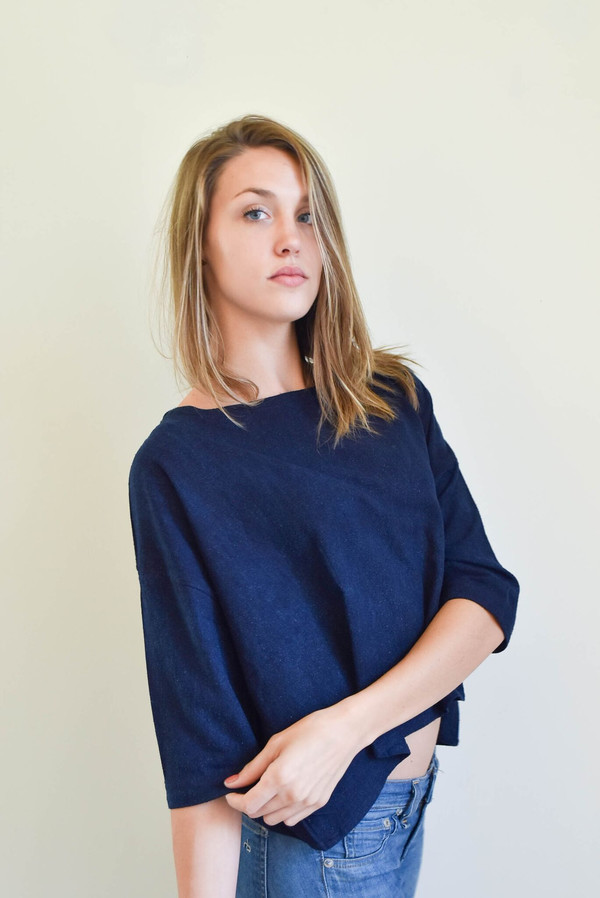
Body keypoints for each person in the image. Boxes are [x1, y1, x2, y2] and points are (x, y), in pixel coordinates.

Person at [127, 113, 519, 898]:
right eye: (256, 212)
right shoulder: (180, 464)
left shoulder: (390, 399)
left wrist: (345, 729)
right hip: (309, 853)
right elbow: (198, 738)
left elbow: (484, 595)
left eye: (307, 215)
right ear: (200, 246)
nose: (290, 239)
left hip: (405, 815)